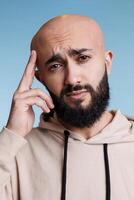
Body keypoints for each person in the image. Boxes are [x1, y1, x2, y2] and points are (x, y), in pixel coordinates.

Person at [0, 14, 134, 200]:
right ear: (40, 78)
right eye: (55, 66)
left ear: (107, 62)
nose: (72, 78)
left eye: (83, 58)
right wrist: (11, 135)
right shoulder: (15, 152)